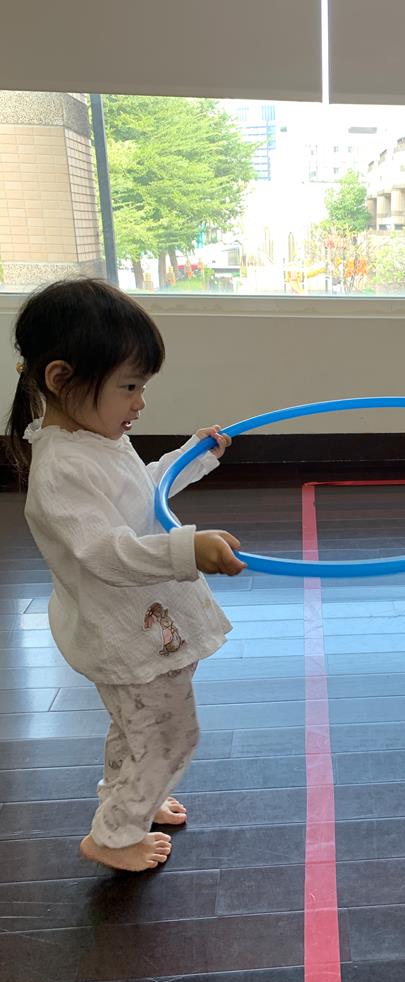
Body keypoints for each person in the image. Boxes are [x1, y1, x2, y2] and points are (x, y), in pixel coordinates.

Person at [5, 278, 247, 870]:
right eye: (130, 387)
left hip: (144, 624)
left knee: (138, 729)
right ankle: (114, 836)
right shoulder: (61, 470)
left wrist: (189, 458)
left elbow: (143, 494)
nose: (140, 403)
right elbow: (104, 553)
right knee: (169, 737)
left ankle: (132, 802)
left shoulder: (95, 438)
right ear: (60, 379)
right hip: (124, 632)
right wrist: (187, 551)